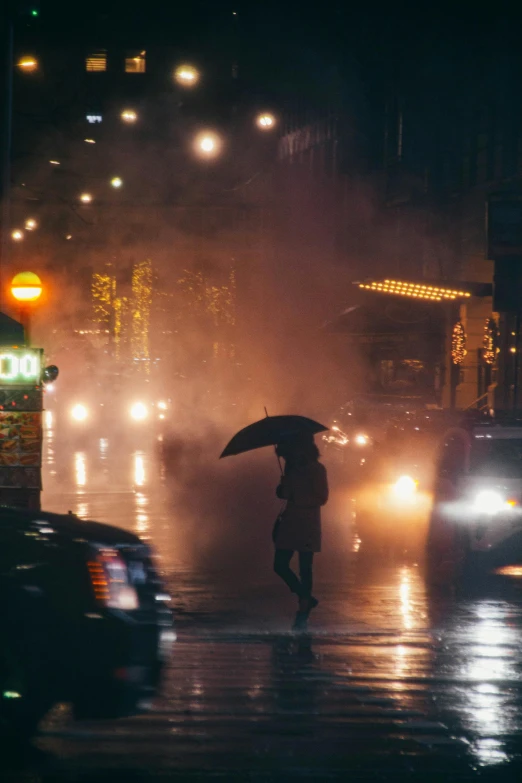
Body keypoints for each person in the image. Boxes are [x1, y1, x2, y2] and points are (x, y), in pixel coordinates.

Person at [273, 432, 329, 629]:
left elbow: (322, 497)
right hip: (290, 522)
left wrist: (298, 499)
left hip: (307, 523)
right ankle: (304, 595)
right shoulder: (292, 470)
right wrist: (283, 487)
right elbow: (284, 494)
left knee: (305, 566)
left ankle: (304, 603)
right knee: (280, 564)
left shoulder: (317, 470)